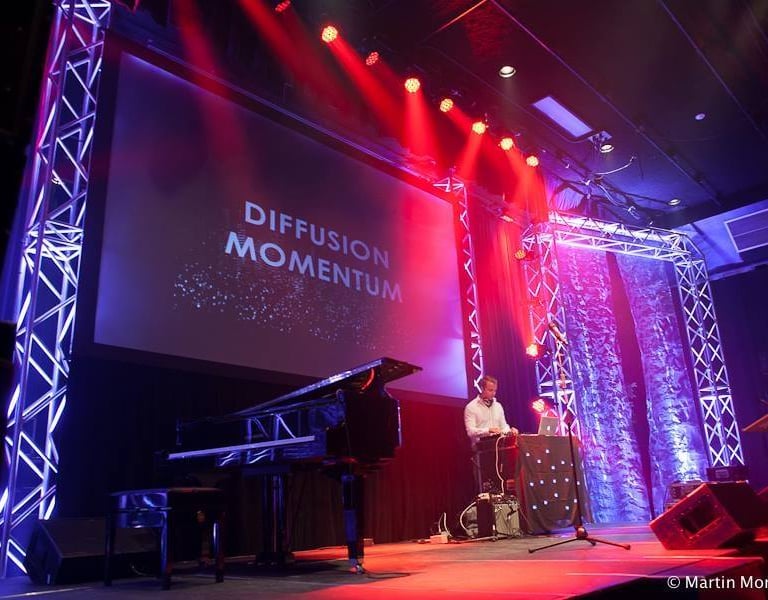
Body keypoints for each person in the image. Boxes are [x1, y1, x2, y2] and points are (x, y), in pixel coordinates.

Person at [464, 375, 519, 493]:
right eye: (490, 390)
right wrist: (488, 430)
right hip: (481, 454)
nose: (493, 393)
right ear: (482, 389)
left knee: (504, 484)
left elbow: (503, 426)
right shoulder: (471, 407)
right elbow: (470, 431)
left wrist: (510, 432)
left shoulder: (498, 406)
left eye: (494, 390)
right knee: (486, 487)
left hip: (500, 451)